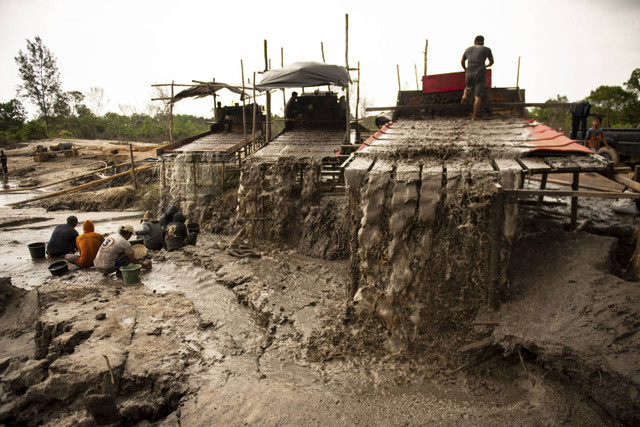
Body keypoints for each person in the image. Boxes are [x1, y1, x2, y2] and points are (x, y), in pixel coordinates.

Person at [461, 35, 494, 121]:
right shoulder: (486, 49)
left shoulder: (468, 49)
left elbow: (462, 61)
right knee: (478, 96)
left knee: (468, 88)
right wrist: (486, 65)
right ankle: (474, 117)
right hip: (480, 72)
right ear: (483, 42)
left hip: (469, 72)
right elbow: (492, 62)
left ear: (474, 41)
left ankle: (464, 96)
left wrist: (465, 69)